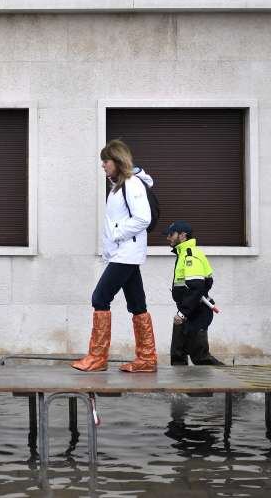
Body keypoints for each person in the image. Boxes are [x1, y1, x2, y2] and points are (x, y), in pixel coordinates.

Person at [73, 139, 156, 373]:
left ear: (117, 161)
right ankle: (147, 359)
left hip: (126, 253)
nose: (103, 165)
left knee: (100, 298)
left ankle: (98, 357)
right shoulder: (119, 185)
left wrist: (118, 234)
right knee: (137, 304)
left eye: (106, 161)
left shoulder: (132, 184)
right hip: (123, 253)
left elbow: (143, 219)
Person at [164, 220, 225, 367]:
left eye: (171, 234)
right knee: (178, 355)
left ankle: (233, 384)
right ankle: (182, 389)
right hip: (187, 310)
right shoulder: (183, 253)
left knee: (200, 357)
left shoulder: (190, 255)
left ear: (183, 235)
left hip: (197, 312)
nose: (168, 237)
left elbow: (197, 288)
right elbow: (206, 282)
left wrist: (182, 313)